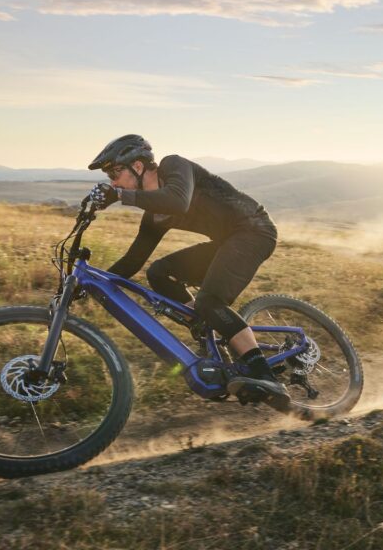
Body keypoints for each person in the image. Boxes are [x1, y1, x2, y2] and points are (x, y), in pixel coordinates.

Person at [86, 134, 289, 408]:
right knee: (158, 272)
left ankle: (265, 375)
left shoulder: (173, 166)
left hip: (254, 230)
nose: (112, 181)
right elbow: (133, 262)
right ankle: (206, 326)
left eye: (115, 172)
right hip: (226, 241)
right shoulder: (154, 215)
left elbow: (178, 200)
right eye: (109, 177)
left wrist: (121, 195)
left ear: (137, 166)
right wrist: (91, 281)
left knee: (210, 300)